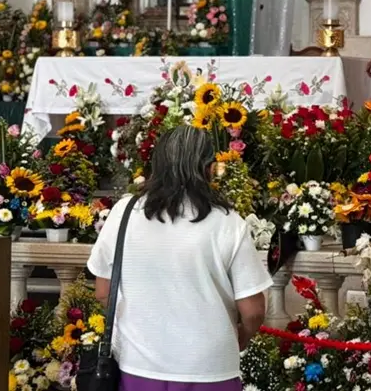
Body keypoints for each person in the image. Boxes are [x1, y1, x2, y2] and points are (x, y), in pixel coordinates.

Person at [86, 125, 272, 391]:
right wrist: (243, 335)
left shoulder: (123, 213)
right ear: (208, 168)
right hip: (210, 366)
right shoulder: (228, 223)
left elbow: (103, 291)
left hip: (139, 362)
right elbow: (253, 310)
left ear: (157, 164)